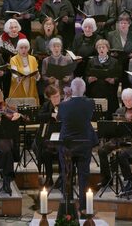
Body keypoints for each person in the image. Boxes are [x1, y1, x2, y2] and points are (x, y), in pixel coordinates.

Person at [98, 88, 132, 192]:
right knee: (101, 150)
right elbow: (114, 129)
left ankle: (130, 180)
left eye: (130, 100)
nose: (128, 102)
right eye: (125, 100)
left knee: (122, 155)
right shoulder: (119, 111)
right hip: (119, 139)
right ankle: (107, 178)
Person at [57, 78, 98, 212]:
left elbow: (60, 118)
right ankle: (84, 208)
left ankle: (67, 207)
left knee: (67, 175)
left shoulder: (63, 105)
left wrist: (67, 98)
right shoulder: (90, 103)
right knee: (83, 176)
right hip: (84, 144)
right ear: (84, 90)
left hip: (67, 145)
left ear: (71, 89)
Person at [35, 85, 62, 187]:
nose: (57, 99)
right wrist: (51, 115)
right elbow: (39, 116)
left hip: (62, 138)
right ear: (49, 98)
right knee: (46, 152)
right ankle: (49, 177)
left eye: (58, 96)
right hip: (50, 138)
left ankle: (61, 177)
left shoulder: (64, 105)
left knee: (62, 150)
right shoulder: (46, 106)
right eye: (54, 97)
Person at [86, 39, 121, 118]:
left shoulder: (114, 62)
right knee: (96, 117)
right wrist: (89, 79)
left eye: (103, 47)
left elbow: (118, 77)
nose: (101, 49)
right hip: (95, 92)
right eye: (99, 47)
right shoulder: (91, 61)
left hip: (109, 93)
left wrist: (113, 80)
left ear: (107, 49)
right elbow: (86, 76)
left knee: (109, 117)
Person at [8, 39, 40, 105]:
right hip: (18, 85)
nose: (23, 50)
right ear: (18, 48)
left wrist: (37, 76)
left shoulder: (33, 59)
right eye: (21, 48)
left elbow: (36, 72)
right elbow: (14, 73)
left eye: (25, 48)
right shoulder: (13, 59)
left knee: (31, 107)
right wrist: (17, 77)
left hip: (30, 85)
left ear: (28, 48)